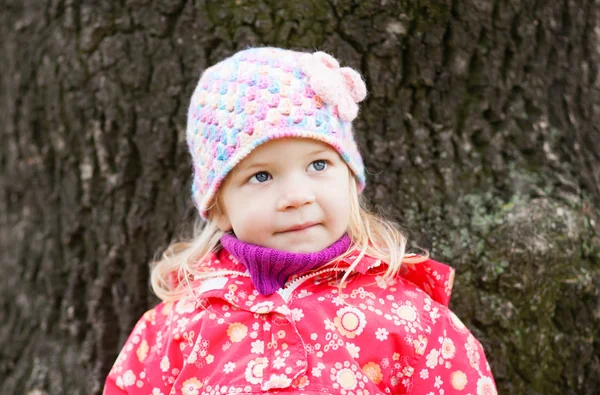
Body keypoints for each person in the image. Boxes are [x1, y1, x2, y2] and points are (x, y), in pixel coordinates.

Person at [103, 47, 497, 395]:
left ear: (350, 178)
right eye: (261, 176)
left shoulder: (410, 320)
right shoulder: (177, 327)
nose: (297, 196)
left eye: (318, 164)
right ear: (219, 205)